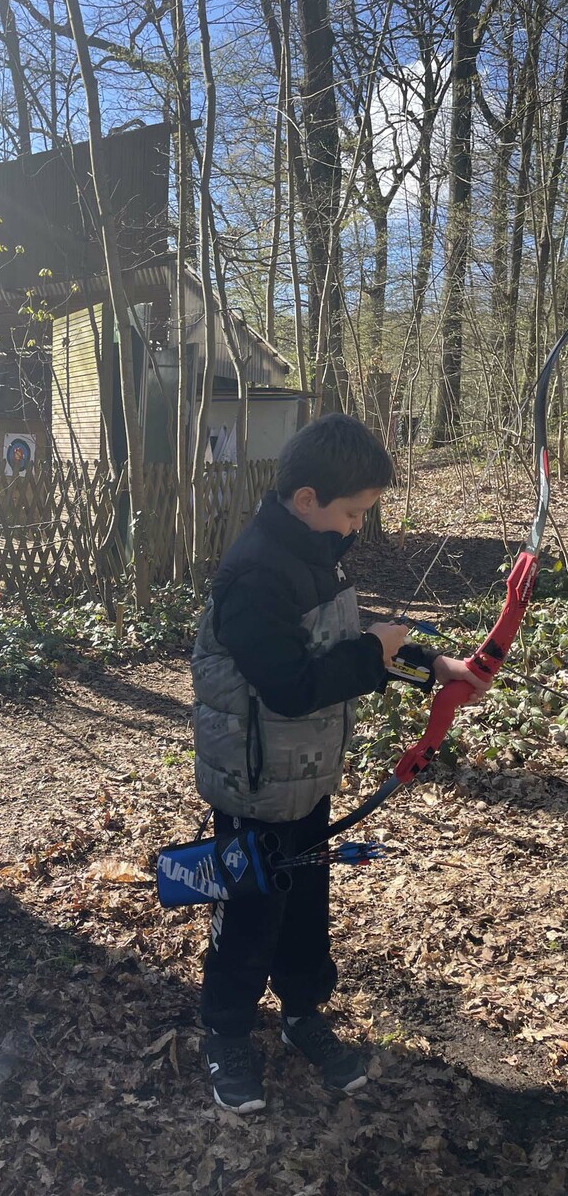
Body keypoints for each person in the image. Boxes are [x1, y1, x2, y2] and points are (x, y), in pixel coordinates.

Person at [191, 413, 490, 1113]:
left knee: (305, 908)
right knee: (248, 915)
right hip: (254, 788)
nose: (358, 526)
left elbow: (346, 642)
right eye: (353, 512)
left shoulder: (312, 552)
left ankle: (301, 1013)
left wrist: (433, 666)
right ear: (308, 499)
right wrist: (372, 651)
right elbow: (294, 686)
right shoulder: (255, 575)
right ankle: (226, 1033)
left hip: (306, 778)